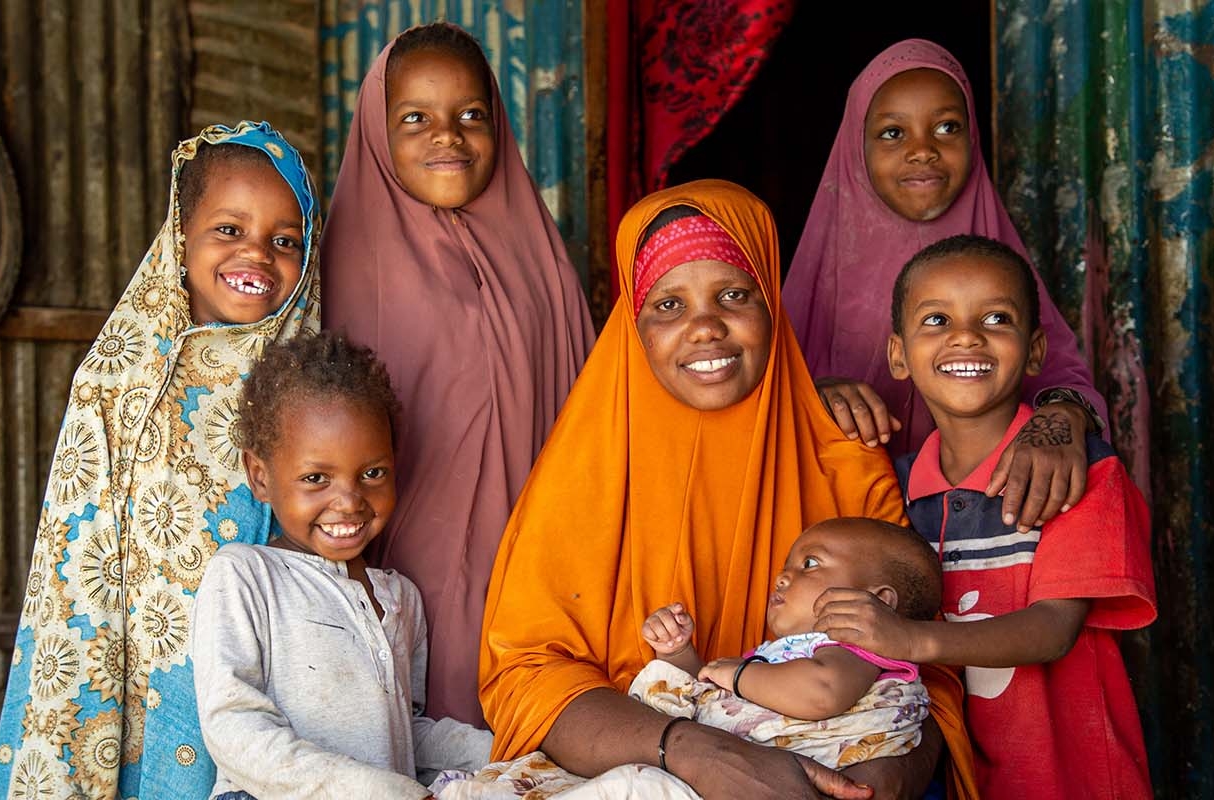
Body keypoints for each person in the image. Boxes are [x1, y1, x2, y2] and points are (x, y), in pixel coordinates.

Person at [472, 180, 977, 800]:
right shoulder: (579, 475)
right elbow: (526, 676)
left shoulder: (844, 458)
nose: (705, 327)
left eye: (734, 295)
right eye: (668, 305)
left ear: (772, 303)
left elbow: (923, 659)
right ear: (633, 325)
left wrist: (877, 780)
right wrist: (690, 749)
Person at [0, 121, 322, 800]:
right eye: (229, 229)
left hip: (277, 683)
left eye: (286, 240)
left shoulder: (314, 388)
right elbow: (73, 561)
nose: (256, 253)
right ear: (179, 234)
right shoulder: (117, 381)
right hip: (139, 674)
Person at [811, 234, 1156, 799]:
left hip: (1072, 778)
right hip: (952, 777)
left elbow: (1052, 629)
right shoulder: (891, 491)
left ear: (1036, 350)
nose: (966, 336)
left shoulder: (1083, 472)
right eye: (936, 320)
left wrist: (907, 639)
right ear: (898, 354)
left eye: (996, 317)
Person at [321, 21, 595, 728]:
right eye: (415, 118)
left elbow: (584, 410)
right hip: (398, 580)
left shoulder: (540, 257)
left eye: (471, 115)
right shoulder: (342, 268)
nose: (448, 136)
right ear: (379, 133)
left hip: (534, 575)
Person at [782, 38, 1108, 534]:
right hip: (845, 542)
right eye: (892, 132)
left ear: (973, 138)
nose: (922, 150)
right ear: (855, 147)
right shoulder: (810, 287)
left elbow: (1062, 376)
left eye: (947, 127)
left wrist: (1062, 419)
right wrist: (812, 396)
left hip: (991, 527)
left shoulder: (998, 264)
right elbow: (756, 418)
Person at [192, 330, 492, 799]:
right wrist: (366, 789)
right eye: (316, 478)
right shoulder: (244, 576)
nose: (350, 502)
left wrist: (497, 749)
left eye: (372, 473)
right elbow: (233, 726)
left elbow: (403, 733)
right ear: (260, 476)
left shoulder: (400, 597)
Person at [633, 518, 940, 769]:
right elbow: (708, 696)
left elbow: (823, 691)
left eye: (809, 563)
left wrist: (740, 675)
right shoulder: (772, 657)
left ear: (879, 602)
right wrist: (677, 651)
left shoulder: (860, 650)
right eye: (786, 565)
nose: (781, 576)